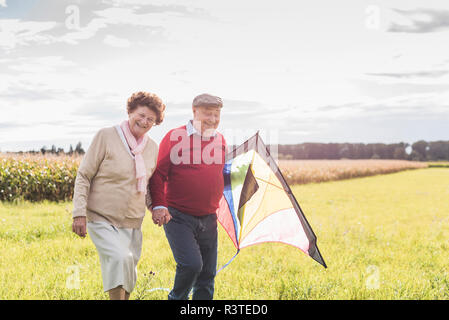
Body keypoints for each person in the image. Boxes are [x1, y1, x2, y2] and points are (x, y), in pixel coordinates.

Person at [72, 91, 165, 300]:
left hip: (133, 220)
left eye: (150, 119)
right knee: (119, 258)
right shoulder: (106, 136)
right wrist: (78, 213)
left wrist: (157, 207)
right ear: (130, 111)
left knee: (129, 269)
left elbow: (148, 184)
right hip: (101, 216)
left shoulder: (152, 148)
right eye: (141, 115)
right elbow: (84, 176)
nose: (144, 121)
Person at [148, 93, 227, 300]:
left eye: (216, 114)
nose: (212, 119)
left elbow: (218, 175)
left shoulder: (220, 140)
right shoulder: (175, 137)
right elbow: (158, 174)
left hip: (209, 218)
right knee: (192, 264)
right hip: (178, 216)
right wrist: (158, 205)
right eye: (207, 114)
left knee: (207, 275)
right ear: (194, 112)